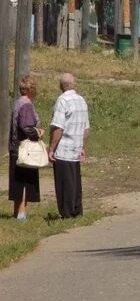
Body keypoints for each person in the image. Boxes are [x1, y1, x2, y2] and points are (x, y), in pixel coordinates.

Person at [48, 73, 90, 218]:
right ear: (74, 84)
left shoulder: (62, 101)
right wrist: (82, 147)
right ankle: (77, 210)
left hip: (64, 148)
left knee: (64, 183)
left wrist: (51, 148)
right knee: (75, 182)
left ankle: (67, 213)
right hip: (76, 147)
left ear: (61, 86)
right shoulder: (81, 100)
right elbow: (86, 128)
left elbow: (58, 128)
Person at [8, 76, 43, 221]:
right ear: (31, 90)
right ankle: (22, 213)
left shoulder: (17, 103)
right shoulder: (26, 105)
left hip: (15, 147)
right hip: (25, 149)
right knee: (25, 181)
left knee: (17, 180)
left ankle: (17, 212)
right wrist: (38, 133)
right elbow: (26, 126)